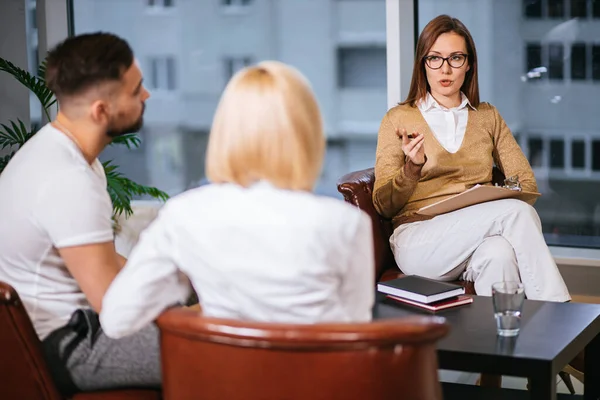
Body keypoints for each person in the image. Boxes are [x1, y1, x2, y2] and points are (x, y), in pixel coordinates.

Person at [99, 61, 375, 339]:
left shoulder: (183, 215)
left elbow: (117, 320)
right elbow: (355, 333)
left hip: (221, 381)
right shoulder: (346, 223)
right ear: (308, 133)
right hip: (320, 379)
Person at [0, 33, 160, 395]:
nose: (146, 96)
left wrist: (176, 285)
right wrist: (187, 319)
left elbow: (105, 262)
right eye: (136, 91)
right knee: (211, 346)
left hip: (74, 326)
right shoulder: (67, 179)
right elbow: (113, 303)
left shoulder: (61, 154)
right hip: (65, 344)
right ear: (101, 110)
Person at [372, 15, 570, 302]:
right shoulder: (398, 119)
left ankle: (500, 343)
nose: (445, 68)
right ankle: (558, 315)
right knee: (517, 213)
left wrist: (490, 197)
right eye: (435, 58)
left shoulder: (487, 117)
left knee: (500, 254)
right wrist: (411, 169)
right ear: (422, 63)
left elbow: (526, 183)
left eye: (455, 58)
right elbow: (383, 205)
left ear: (468, 64)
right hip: (419, 242)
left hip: (476, 234)